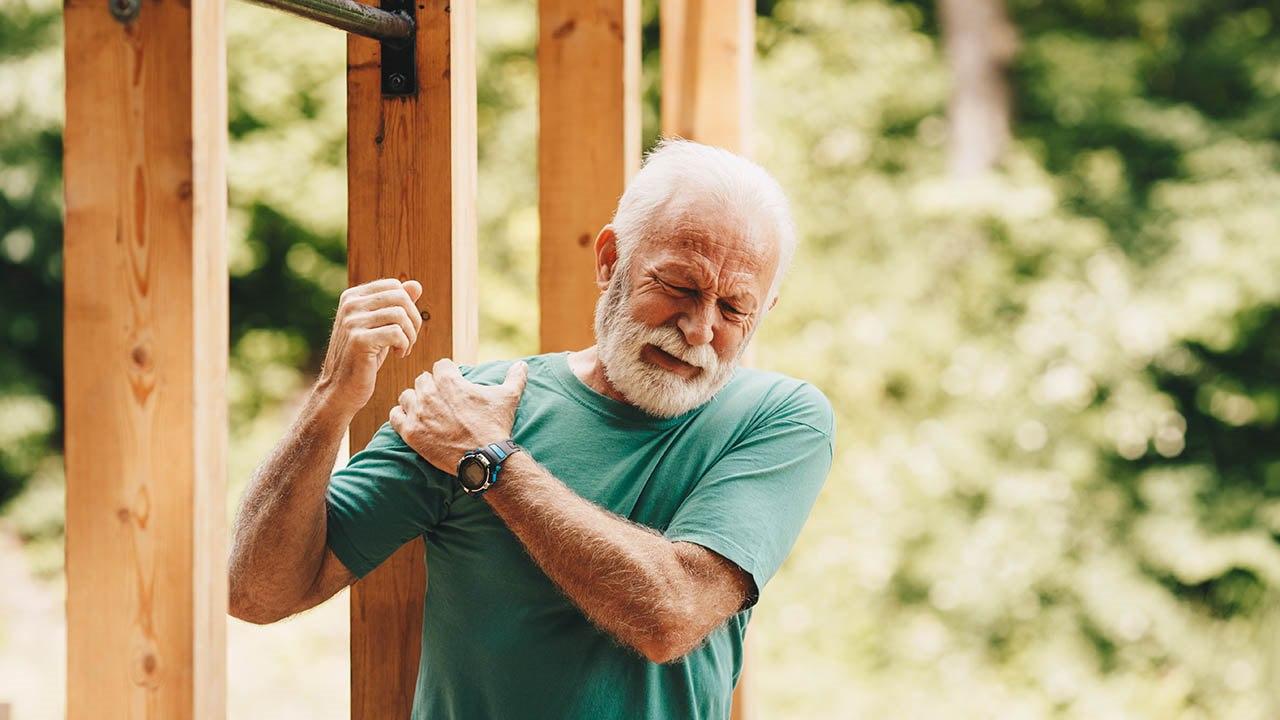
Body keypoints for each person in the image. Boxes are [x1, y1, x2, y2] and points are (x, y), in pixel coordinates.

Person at [228, 139, 835, 719]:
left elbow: (670, 615)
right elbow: (258, 593)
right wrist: (332, 400)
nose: (700, 328)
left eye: (734, 308)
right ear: (610, 261)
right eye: (679, 285)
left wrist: (489, 462)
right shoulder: (467, 406)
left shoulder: (778, 420)